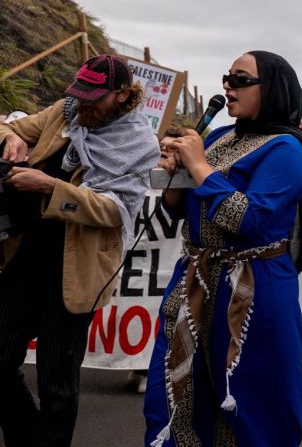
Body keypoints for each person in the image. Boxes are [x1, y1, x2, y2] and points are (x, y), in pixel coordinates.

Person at [144, 51, 302, 446]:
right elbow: (178, 209)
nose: (228, 85)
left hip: (253, 289)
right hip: (195, 280)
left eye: (241, 79)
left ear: (272, 90)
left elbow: (248, 220)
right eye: (227, 77)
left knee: (251, 401)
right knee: (175, 397)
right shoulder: (217, 138)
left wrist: (199, 168)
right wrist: (175, 172)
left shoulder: (286, 149)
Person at [0, 54, 160, 446]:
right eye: (79, 92)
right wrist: (12, 135)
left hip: (78, 272)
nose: (83, 102)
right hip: (25, 258)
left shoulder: (139, 143)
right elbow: (9, 125)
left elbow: (114, 210)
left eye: (94, 96)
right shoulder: (65, 111)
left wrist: (52, 188)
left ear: (123, 95)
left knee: (58, 385)